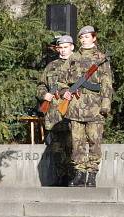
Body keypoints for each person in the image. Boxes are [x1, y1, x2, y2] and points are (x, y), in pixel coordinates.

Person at [62, 26, 113, 187]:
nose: (83, 39)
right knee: (77, 142)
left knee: (94, 141)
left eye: (86, 37)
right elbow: (61, 80)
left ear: (94, 38)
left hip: (94, 108)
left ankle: (91, 174)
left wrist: (105, 105)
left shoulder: (101, 58)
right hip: (75, 107)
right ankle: (79, 173)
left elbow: (106, 83)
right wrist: (65, 91)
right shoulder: (73, 57)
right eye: (81, 37)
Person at [37, 35, 75, 186]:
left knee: (73, 148)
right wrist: (43, 94)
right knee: (57, 149)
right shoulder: (51, 66)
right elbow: (41, 85)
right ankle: (62, 178)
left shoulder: (78, 64)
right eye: (60, 47)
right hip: (54, 115)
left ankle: (74, 179)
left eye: (66, 47)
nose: (63, 50)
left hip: (73, 113)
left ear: (72, 47)